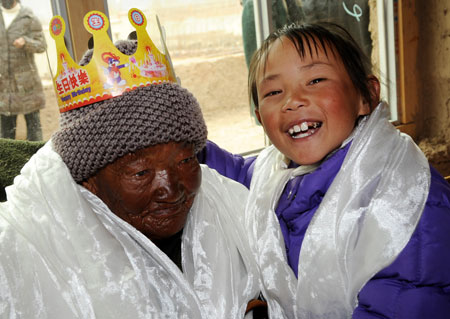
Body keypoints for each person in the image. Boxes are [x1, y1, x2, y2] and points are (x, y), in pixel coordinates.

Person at [199, 22, 450, 318]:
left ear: (365, 96)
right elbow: (238, 176)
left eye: (316, 80)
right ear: (259, 118)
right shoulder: (276, 171)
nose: (292, 101)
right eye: (273, 92)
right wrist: (184, 142)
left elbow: (403, 304)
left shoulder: (406, 201)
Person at [0, 38, 261, 318]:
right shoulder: (30, 254)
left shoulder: (225, 202)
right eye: (142, 173)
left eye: (185, 160)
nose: (170, 188)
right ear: (88, 180)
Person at [0, 0, 46, 141]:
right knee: (6, 139)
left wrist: (26, 42)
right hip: (3, 88)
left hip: (27, 87)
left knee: (34, 135)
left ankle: (39, 162)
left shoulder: (29, 18)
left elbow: (42, 45)